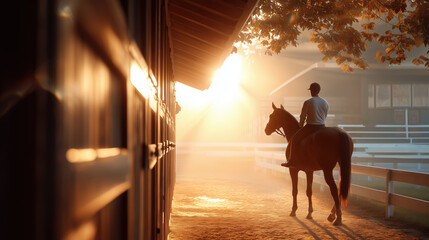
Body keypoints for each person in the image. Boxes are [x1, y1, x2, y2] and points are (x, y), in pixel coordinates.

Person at [281, 82, 329, 167]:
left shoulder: (308, 102)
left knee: (294, 139)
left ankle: (291, 161)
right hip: (322, 127)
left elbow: (302, 116)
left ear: (311, 91)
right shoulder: (325, 102)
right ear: (318, 91)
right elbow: (325, 115)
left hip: (311, 127)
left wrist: (300, 125)